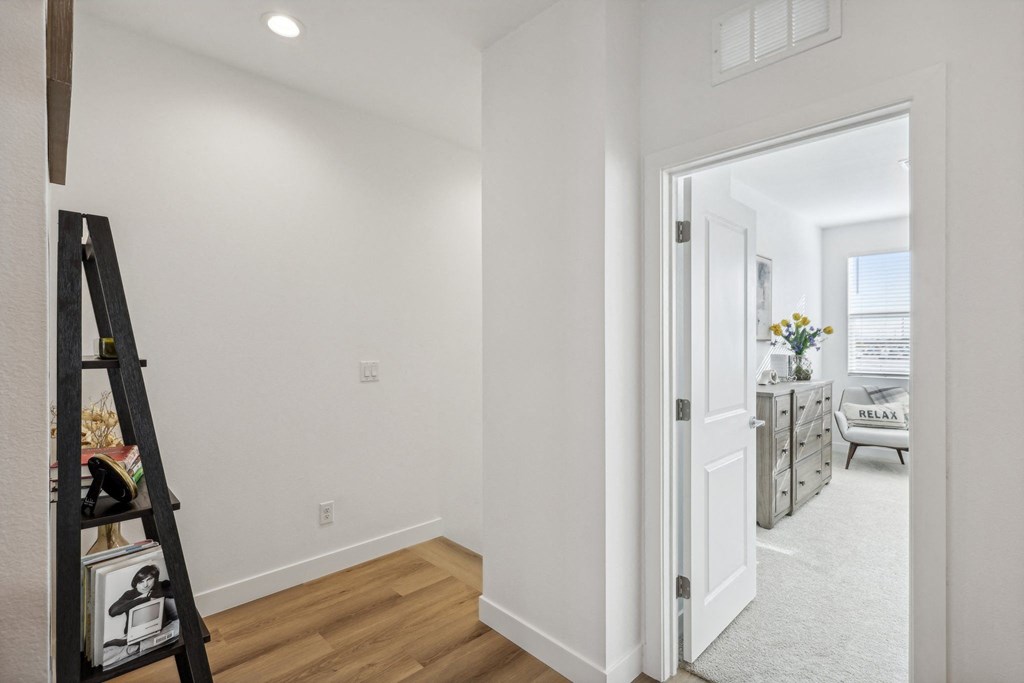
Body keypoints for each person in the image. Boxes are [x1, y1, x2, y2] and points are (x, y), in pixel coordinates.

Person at [104, 564, 177, 647]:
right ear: (136, 583)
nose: (145, 585)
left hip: (159, 629)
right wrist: (144, 597)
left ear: (155, 579)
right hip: (134, 635)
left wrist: (155, 594)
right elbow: (112, 611)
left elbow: (179, 592)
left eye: (149, 579)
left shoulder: (160, 586)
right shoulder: (130, 594)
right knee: (108, 645)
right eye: (141, 582)